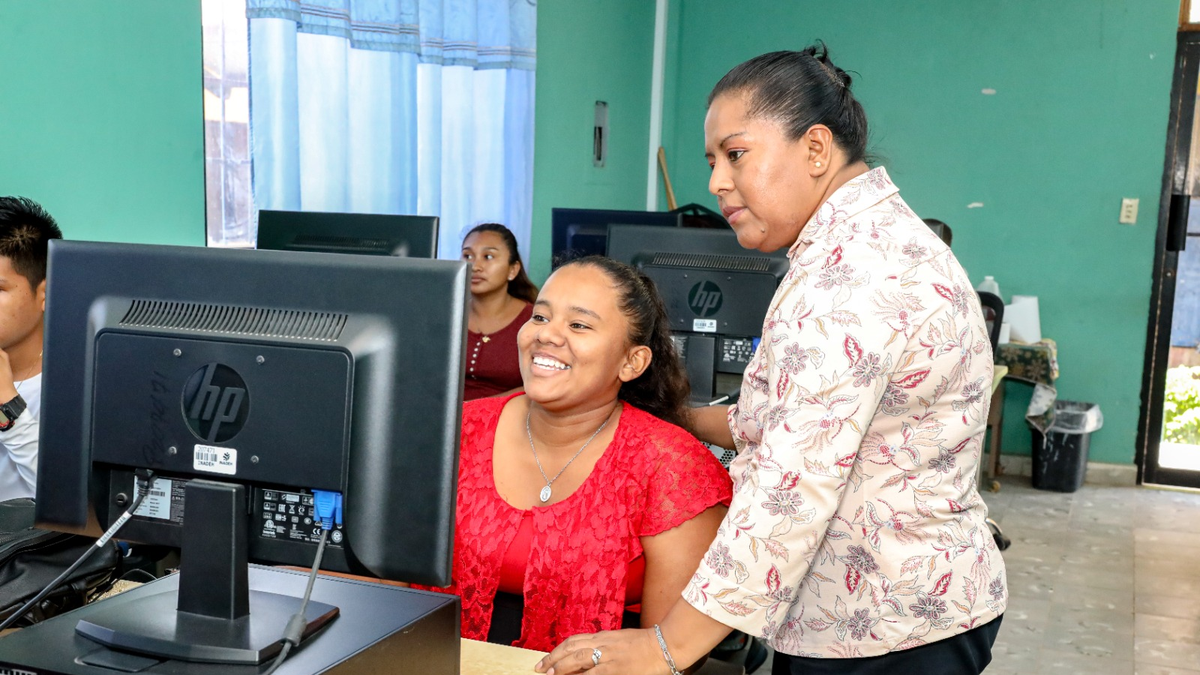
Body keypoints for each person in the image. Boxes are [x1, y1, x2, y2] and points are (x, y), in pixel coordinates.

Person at [537, 45, 1006, 675]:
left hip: (885, 625)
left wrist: (666, 645)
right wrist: (675, 415)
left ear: (815, 150)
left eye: (735, 154)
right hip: (888, 605)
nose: (715, 183)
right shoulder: (854, 244)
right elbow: (788, 422)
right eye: (710, 161)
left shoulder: (852, 277)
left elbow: (793, 485)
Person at [416, 256, 732, 652]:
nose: (546, 335)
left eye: (579, 325)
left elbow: (665, 653)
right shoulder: (455, 432)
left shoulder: (671, 465)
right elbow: (387, 581)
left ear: (632, 362)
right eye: (541, 317)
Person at [0, 197, 62, 502]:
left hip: (31, 549)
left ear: (46, 293)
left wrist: (7, 405)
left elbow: (75, 507)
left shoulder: (76, 383)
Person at [460, 223, 539, 400]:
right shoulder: (447, 314)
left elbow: (538, 385)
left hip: (507, 420)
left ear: (513, 270)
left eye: (488, 256)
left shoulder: (534, 321)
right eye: (467, 256)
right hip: (444, 419)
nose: (475, 266)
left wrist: (477, 410)